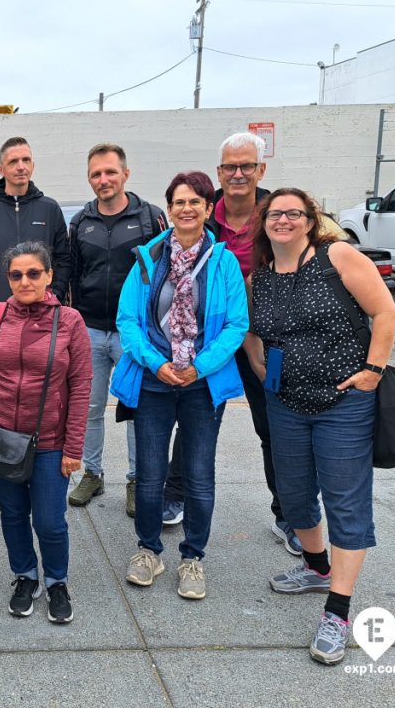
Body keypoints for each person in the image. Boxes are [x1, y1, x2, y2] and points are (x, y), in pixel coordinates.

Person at [244, 187, 395, 665]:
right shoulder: (262, 276)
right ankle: (315, 567)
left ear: (310, 220)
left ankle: (338, 610)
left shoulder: (338, 257)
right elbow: (252, 331)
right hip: (286, 403)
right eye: (275, 214)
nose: (283, 220)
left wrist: (372, 371)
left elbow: (385, 311)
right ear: (264, 222)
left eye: (293, 213)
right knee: (292, 497)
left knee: (345, 500)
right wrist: (261, 369)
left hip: (344, 402)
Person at [110, 172, 248, 601]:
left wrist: (199, 367)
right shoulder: (148, 259)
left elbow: (236, 325)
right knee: (150, 477)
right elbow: (127, 322)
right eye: (179, 202)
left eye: (196, 202)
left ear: (209, 208)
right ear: (168, 209)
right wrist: (157, 363)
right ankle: (149, 550)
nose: (186, 209)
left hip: (201, 386)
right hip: (155, 381)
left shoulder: (223, 262)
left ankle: (193, 556)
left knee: (199, 476)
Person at [160, 133, 299, 554]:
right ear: (219, 172)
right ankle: (176, 494)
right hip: (208, 342)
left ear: (261, 170)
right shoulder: (203, 212)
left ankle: (290, 514)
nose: (238, 174)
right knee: (195, 419)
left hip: (266, 340)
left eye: (247, 166)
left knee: (276, 425)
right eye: (230, 167)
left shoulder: (282, 215)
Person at [0, 241, 91, 624]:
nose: (25, 281)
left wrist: (74, 446)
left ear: (49, 276)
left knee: (49, 520)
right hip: (0, 435)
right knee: (13, 515)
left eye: (34, 273)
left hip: (50, 440)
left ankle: (56, 581)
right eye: (16, 275)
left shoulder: (70, 321)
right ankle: (25, 576)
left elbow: (82, 386)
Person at [0, 137, 72, 507]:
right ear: (1, 168)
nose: (21, 167)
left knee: (39, 394)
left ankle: (38, 465)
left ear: (32, 165)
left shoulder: (49, 209)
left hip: (43, 324)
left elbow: (64, 261)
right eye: (13, 161)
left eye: (26, 160)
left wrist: (52, 297)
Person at [67, 143, 167, 515]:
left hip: (134, 334)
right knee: (89, 407)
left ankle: (137, 478)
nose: (103, 179)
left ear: (126, 174)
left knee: (135, 407)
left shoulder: (150, 218)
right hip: (90, 329)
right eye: (96, 173)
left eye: (110, 172)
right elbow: (70, 275)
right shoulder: (80, 222)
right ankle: (92, 473)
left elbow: (164, 276)